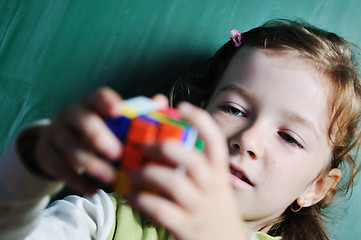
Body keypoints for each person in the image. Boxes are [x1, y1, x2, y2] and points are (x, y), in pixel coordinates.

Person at [0, 19, 360, 240]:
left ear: (315, 188)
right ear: (194, 116)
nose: (248, 139)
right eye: (234, 109)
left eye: (288, 137)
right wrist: (29, 170)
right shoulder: (106, 217)